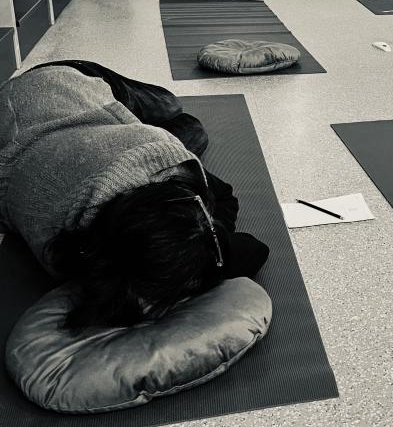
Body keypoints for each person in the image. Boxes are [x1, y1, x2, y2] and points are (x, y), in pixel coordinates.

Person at [0, 60, 269, 330]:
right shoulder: (56, 242)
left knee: (178, 114)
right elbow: (250, 247)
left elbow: (239, 223)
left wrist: (201, 247)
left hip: (82, 105)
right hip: (46, 100)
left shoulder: (170, 168)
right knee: (183, 119)